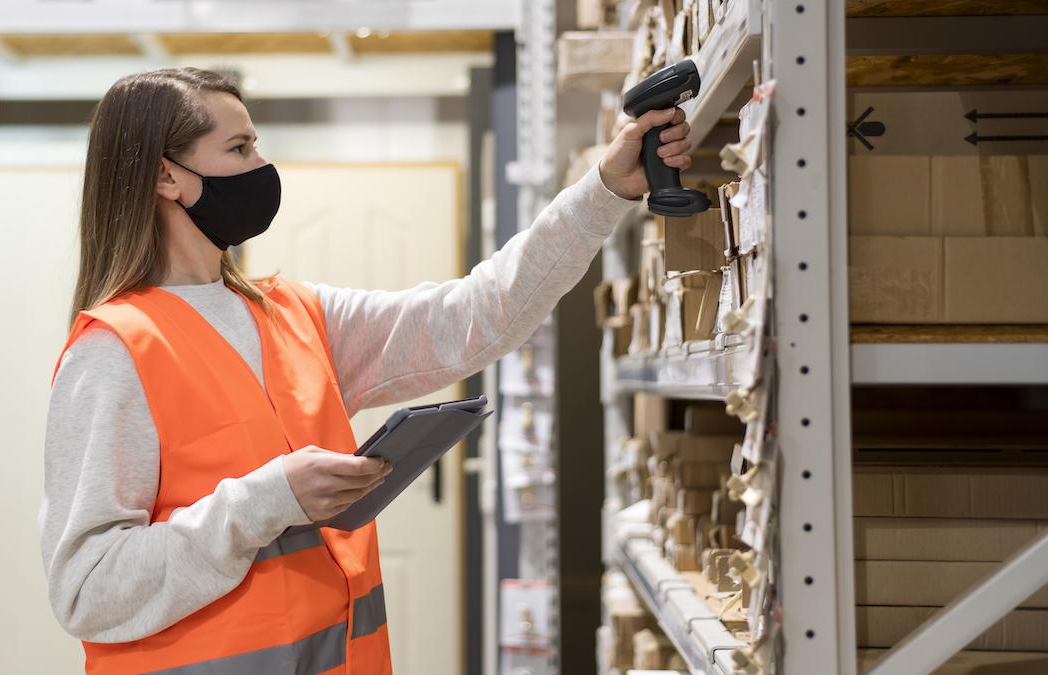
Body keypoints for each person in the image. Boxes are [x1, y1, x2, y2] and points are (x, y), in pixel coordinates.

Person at [39, 67, 692, 674]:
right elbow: (88, 589)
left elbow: (477, 314)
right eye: (239, 149)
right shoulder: (114, 350)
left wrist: (604, 190)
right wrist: (265, 500)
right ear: (166, 177)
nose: (262, 166)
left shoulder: (294, 314)